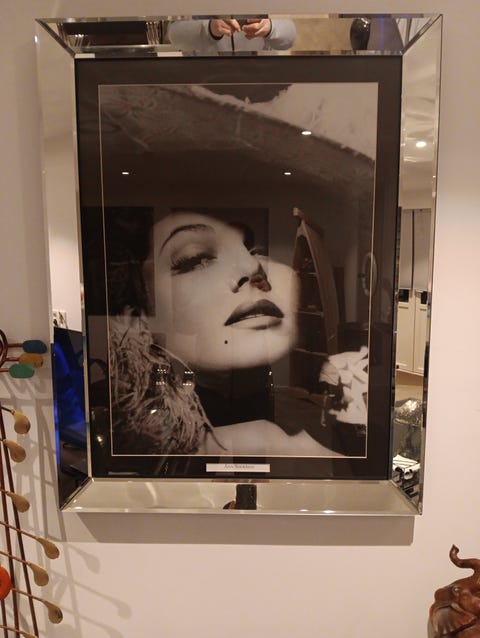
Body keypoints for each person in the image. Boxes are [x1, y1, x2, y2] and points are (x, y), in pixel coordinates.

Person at [167, 17, 296, 54]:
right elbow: (175, 35)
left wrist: (270, 27)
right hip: (205, 85)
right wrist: (209, 28)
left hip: (262, 85)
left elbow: (290, 36)